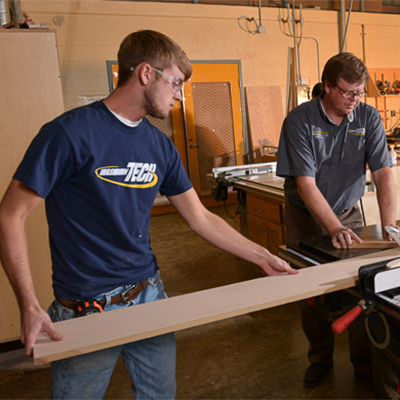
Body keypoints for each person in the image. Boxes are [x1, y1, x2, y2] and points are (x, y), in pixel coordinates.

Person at [0, 30, 298, 399]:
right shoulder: (68, 134)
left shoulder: (159, 145)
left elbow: (201, 218)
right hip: (86, 308)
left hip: (148, 293)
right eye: (175, 82)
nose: (179, 94)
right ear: (145, 73)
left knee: (159, 395)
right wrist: (28, 305)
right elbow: (9, 215)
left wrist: (264, 257)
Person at [276, 52, 397, 388]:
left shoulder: (367, 117)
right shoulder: (299, 121)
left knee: (362, 288)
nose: (354, 100)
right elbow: (305, 183)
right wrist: (333, 227)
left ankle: (362, 365)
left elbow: (384, 173)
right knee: (313, 295)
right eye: (347, 92)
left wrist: (390, 226)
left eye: (360, 93)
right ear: (326, 86)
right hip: (306, 218)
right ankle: (320, 358)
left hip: (349, 213)